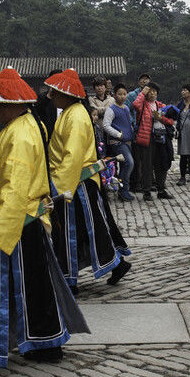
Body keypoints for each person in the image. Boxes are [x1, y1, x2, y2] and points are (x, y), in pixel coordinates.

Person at [0, 68, 87, 377]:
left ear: (10, 104)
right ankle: (45, 342)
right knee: (35, 284)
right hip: (27, 221)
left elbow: (14, 189)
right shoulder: (24, 125)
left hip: (12, 222)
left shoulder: (19, 134)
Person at [45, 69, 131, 290]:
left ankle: (69, 279)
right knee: (93, 228)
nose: (50, 95)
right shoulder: (71, 112)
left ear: (66, 94)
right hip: (79, 181)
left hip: (75, 183)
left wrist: (59, 188)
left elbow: (72, 156)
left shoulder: (74, 116)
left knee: (70, 232)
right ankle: (116, 264)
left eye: (54, 92)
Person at [131, 82, 172, 200]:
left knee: (161, 165)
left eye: (155, 91)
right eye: (150, 91)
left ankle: (161, 189)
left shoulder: (161, 105)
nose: (152, 93)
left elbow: (171, 121)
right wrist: (143, 92)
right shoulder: (142, 105)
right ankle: (147, 191)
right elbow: (135, 104)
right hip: (147, 139)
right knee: (147, 166)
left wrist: (161, 118)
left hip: (160, 138)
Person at [101, 83, 136, 201]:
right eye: (119, 94)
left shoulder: (126, 108)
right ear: (114, 95)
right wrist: (118, 134)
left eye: (124, 94)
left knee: (125, 165)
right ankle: (123, 190)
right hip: (117, 142)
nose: (122, 96)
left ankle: (122, 189)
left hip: (127, 142)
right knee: (129, 163)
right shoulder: (111, 110)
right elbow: (106, 125)